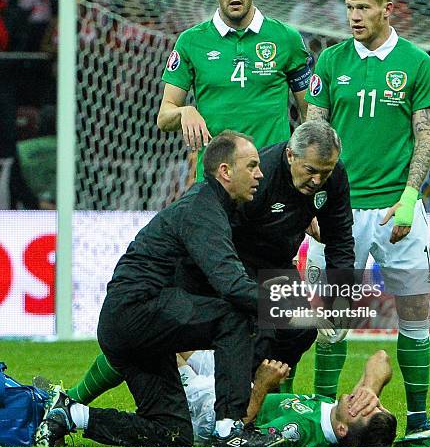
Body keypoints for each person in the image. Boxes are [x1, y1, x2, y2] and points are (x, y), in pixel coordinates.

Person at [66, 120, 354, 406]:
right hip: (229, 265)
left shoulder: (333, 176)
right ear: (291, 156)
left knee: (299, 330)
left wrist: (341, 295)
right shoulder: (256, 179)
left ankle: (260, 402)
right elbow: (216, 238)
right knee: (224, 330)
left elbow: (340, 236)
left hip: (275, 263)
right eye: (311, 171)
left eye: (325, 172)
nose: (318, 180)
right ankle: (76, 397)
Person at [35, 131, 285, 447]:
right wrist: (292, 306)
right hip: (138, 312)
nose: (260, 174)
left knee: (173, 433)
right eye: (251, 166)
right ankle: (230, 428)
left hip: (133, 326)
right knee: (233, 316)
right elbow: (232, 286)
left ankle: (71, 415)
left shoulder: (210, 207)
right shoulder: (202, 209)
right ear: (225, 171)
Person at [305, 0, 430, 440]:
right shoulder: (330, 61)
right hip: (339, 212)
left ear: (388, 9)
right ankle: (326, 414)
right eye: (350, 9)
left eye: (363, 8)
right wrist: (309, 200)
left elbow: (425, 136)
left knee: (414, 312)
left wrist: (409, 197)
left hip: (395, 208)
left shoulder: (416, 62)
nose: (354, 18)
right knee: (331, 319)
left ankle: (420, 420)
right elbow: (312, 135)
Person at [157, 0, 312, 181]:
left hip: (272, 180)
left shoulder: (287, 39)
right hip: (216, 181)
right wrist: (184, 111)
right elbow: (164, 117)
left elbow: (310, 114)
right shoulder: (191, 42)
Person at [179, 349, 397, 447]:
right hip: (237, 389)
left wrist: (262, 385)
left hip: (213, 410)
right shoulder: (339, 412)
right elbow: (381, 358)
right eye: (372, 404)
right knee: (180, 337)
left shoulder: (300, 430)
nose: (361, 401)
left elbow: (235, 434)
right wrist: (370, 389)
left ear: (342, 430)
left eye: (363, 408)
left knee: (160, 344)